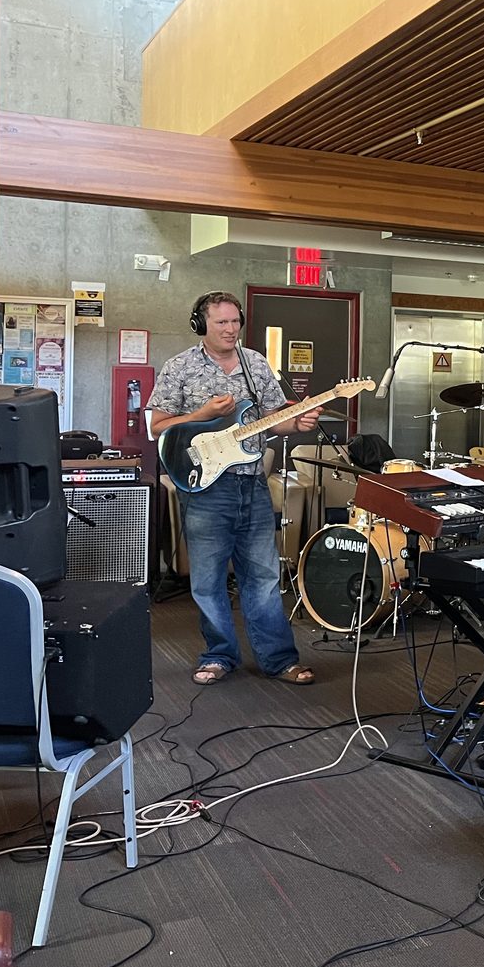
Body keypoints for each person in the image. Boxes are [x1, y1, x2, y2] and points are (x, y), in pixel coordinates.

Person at [149, 291, 324, 686]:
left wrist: (295, 424)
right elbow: (157, 427)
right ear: (201, 325)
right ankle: (218, 656)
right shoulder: (181, 367)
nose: (230, 330)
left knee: (263, 577)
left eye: (235, 322)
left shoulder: (256, 365)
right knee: (208, 580)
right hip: (205, 487)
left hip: (253, 484)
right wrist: (202, 415)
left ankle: (279, 660)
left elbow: (273, 422)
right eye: (221, 323)